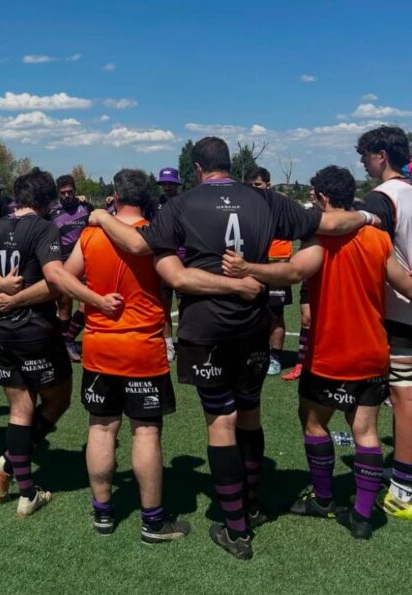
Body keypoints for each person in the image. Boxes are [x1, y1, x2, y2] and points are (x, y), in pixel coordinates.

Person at [87, 136, 380, 559]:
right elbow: (329, 224)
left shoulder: (181, 204)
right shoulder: (266, 198)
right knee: (249, 412)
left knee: (219, 423)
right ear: (231, 165)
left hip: (205, 329)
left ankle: (236, 529)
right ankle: (254, 502)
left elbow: (139, 247)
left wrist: (99, 214)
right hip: (254, 326)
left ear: (198, 168)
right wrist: (369, 215)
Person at [223, 165, 412, 539]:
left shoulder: (318, 238)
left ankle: (324, 499)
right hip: (373, 349)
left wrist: (248, 268)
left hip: (329, 351)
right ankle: (361, 516)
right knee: (366, 430)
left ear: (321, 197)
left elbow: (293, 271)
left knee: (313, 421)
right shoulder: (377, 237)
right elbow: (409, 286)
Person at [53, 168, 263, 543]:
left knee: (101, 428)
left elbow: (62, 279)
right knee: (146, 431)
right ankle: (153, 522)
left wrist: (95, 300)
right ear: (147, 195)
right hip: (142, 348)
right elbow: (178, 281)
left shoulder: (91, 234)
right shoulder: (160, 235)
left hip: (100, 347)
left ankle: (102, 513)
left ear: (114, 195)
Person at [0, 167, 122, 517]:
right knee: (59, 399)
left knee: (20, 409)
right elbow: (54, 278)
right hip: (36, 331)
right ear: (47, 200)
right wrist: (95, 301)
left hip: (0, 332)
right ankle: (10, 465)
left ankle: (25, 489)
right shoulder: (44, 227)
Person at [359, 127, 412, 518]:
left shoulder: (382, 197)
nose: (363, 162)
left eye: (365, 155)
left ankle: (402, 489)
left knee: (405, 397)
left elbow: (377, 256)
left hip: (398, 310)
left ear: (381, 155)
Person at [245, 167, 292, 376]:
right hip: (253, 264)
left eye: (257, 184)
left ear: (268, 185)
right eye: (250, 185)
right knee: (253, 312)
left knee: (275, 313)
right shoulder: (246, 205)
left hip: (276, 264)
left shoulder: (280, 204)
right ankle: (257, 353)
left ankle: (275, 357)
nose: (253, 189)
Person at [48, 174, 91, 362]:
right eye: (63, 193)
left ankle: (68, 338)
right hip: (63, 264)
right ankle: (67, 344)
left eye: (70, 192)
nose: (67, 195)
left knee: (86, 305)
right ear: (58, 192)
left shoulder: (86, 207)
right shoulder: (51, 211)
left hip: (86, 262)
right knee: (64, 305)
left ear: (75, 190)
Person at [153, 167, 183, 363]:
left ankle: (187, 343)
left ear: (177, 184)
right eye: (164, 183)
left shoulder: (186, 202)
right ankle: (168, 344)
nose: (167, 186)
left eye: (171, 183)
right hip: (163, 259)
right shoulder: (155, 204)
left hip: (183, 260)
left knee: (186, 305)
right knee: (164, 305)